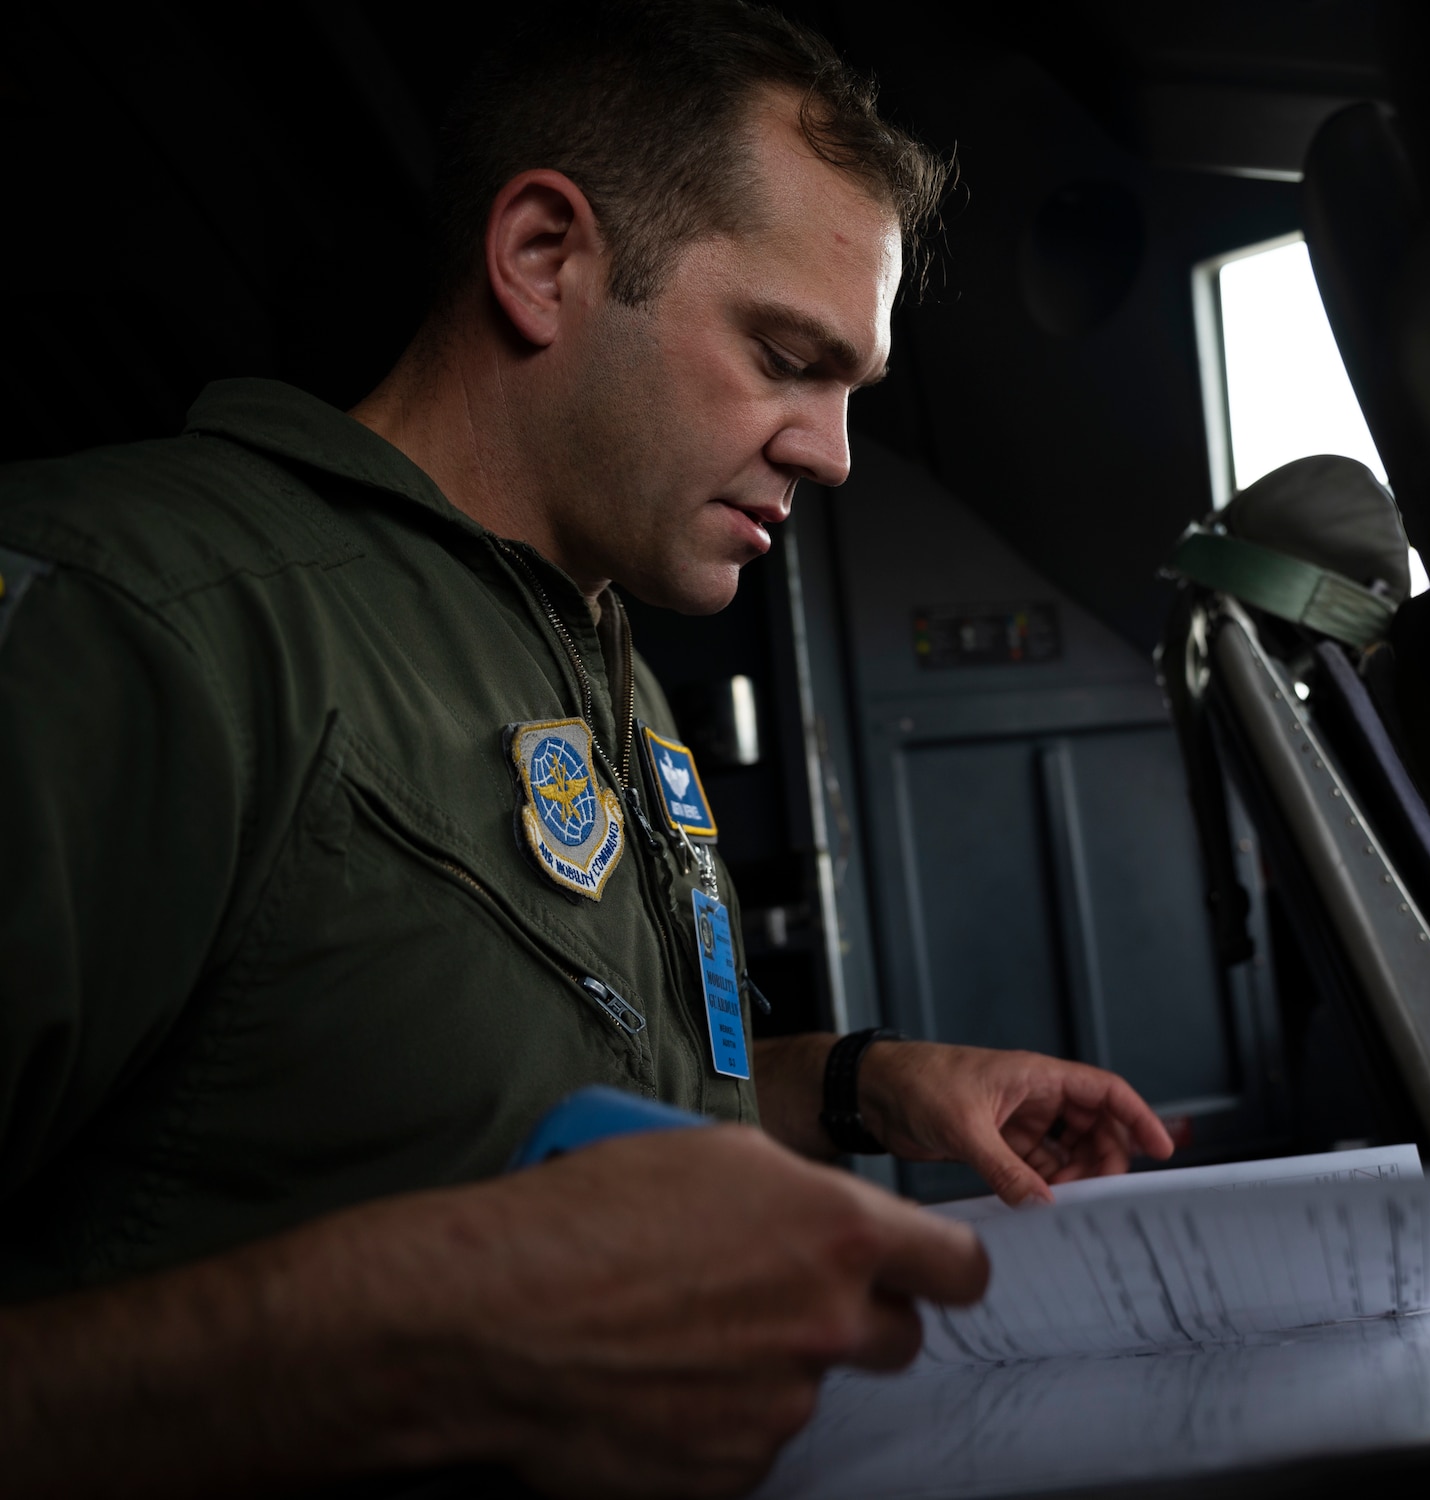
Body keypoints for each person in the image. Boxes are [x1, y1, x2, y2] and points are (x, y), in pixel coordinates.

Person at [0, 3, 1174, 1494]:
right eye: (784, 356)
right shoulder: (142, 619)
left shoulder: (602, 662)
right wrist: (423, 1341)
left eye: (851, 391)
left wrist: (866, 1084)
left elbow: (561, 1097)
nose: (831, 451)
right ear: (545, 259)